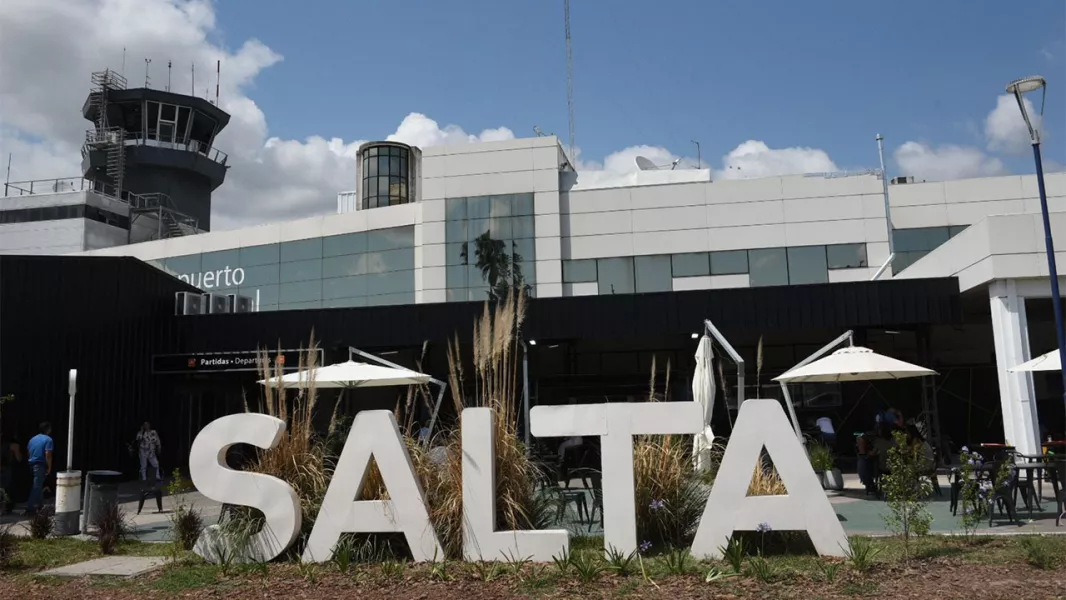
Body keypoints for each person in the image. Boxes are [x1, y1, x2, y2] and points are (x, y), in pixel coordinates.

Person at [25, 422, 53, 515]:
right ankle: (30, 508)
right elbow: (48, 454)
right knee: (36, 486)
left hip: (31, 463)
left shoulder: (32, 439)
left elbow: (28, 451)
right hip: (40, 464)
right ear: (48, 429)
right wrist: (49, 467)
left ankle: (40, 505)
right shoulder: (48, 440)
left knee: (39, 485)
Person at [0, 432, 22, 514]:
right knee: (6, 489)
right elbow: (19, 458)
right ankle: (4, 508)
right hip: (6, 468)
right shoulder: (13, 446)